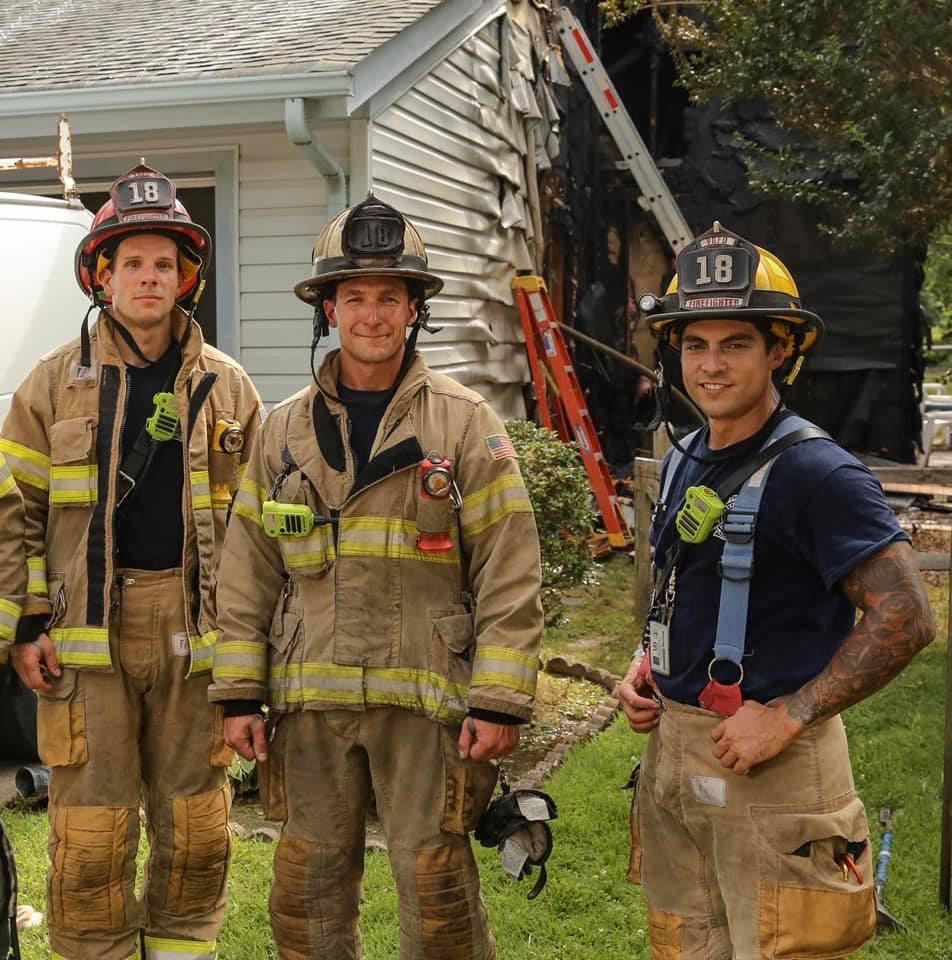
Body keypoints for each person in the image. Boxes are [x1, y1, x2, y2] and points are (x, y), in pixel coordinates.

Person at [210, 194, 544, 960]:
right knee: (307, 888)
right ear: (328, 309)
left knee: (437, 889)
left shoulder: (464, 425)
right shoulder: (283, 431)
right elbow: (247, 570)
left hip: (426, 704)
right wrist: (238, 693)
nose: (370, 315)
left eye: (388, 297)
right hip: (309, 705)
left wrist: (497, 699)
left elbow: (510, 570)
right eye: (353, 297)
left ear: (414, 310)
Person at [618, 222, 934, 960]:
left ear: (781, 350)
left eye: (736, 345)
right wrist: (650, 667)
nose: (711, 366)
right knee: (686, 946)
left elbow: (907, 616)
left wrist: (789, 715)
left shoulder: (818, 473)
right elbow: (685, 587)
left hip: (776, 774)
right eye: (695, 345)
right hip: (679, 754)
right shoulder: (684, 456)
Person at [0, 163, 262, 960]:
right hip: (86, 642)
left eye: (163, 265)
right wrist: (26, 624)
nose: (149, 279)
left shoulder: (230, 388)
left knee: (195, 825)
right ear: (101, 276)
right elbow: (14, 515)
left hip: (197, 640)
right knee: (92, 831)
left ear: (186, 279)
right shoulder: (50, 386)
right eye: (132, 264)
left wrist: (248, 658)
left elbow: (254, 537)